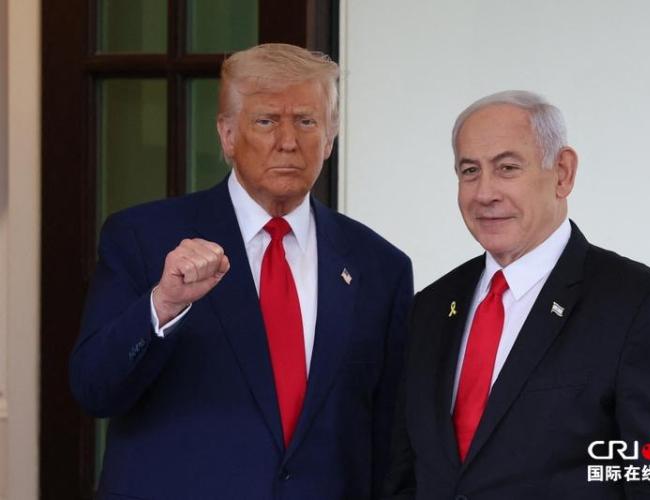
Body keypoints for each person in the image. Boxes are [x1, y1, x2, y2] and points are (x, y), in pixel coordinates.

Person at [70, 43, 413, 500]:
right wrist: (163, 305)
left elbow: (389, 441)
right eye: (266, 121)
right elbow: (94, 389)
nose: (288, 141)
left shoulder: (380, 266)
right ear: (228, 135)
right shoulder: (144, 238)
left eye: (306, 122)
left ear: (330, 139)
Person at [382, 90, 650, 499]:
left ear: (563, 173)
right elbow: (404, 477)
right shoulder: (430, 308)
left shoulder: (638, 305)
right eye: (469, 171)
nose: (484, 193)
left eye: (507, 168)